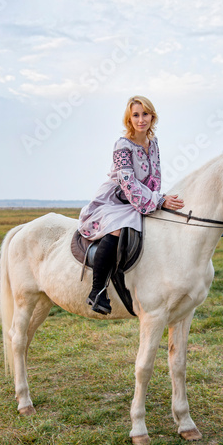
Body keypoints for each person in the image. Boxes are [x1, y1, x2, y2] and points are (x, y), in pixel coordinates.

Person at [78, 96, 184, 315]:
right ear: (129, 118)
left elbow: (154, 177)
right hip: (116, 197)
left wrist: (158, 198)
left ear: (152, 117)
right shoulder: (122, 145)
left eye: (145, 114)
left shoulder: (153, 143)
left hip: (143, 196)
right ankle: (97, 291)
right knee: (117, 227)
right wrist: (158, 200)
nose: (141, 119)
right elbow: (128, 181)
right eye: (136, 115)